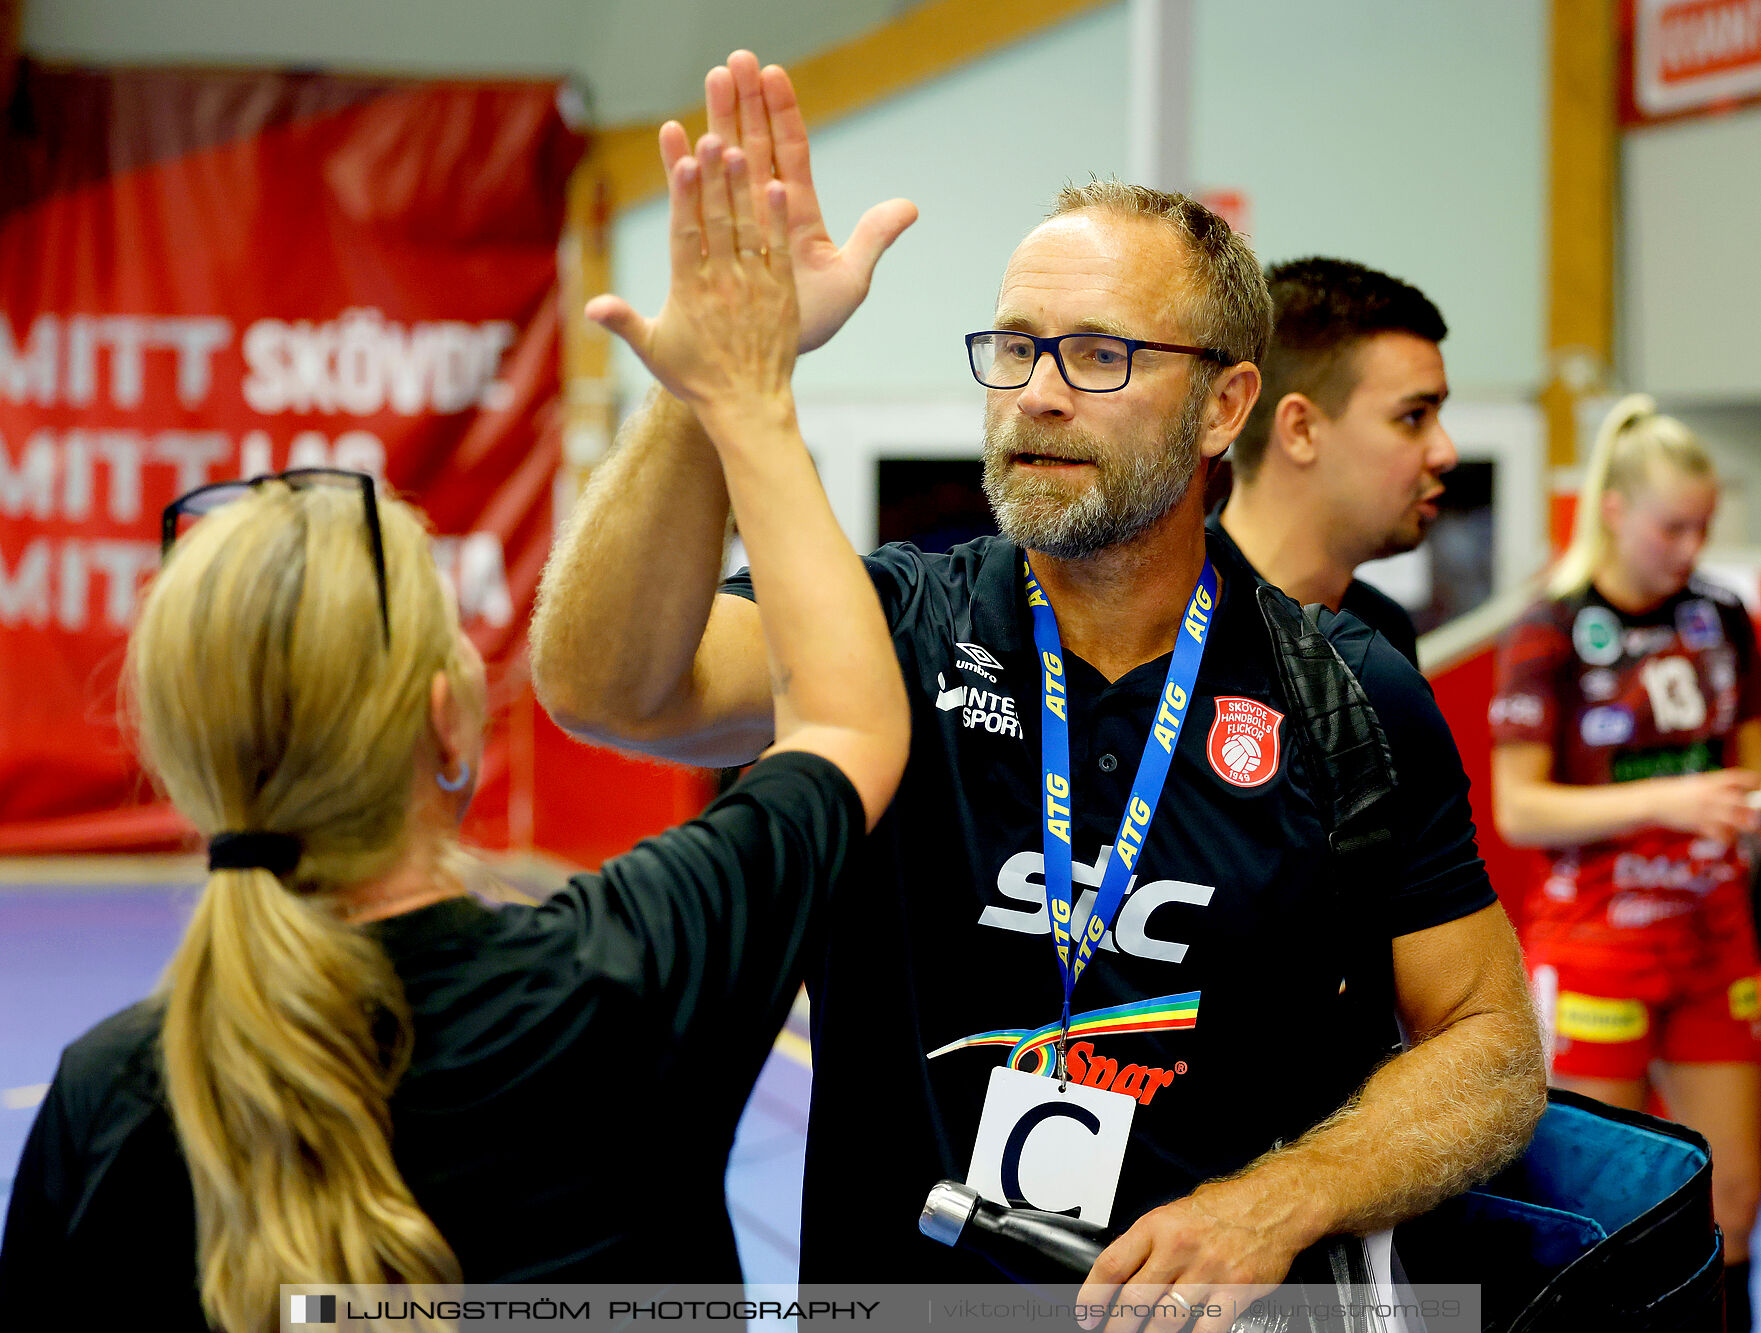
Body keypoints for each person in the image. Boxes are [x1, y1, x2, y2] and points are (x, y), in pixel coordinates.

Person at [532, 50, 1544, 1313]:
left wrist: (1284, 1197)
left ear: (1227, 403)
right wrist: (714, 385)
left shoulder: (1345, 692)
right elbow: (608, 687)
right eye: (1015, 348)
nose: (1040, 395)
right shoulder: (889, 628)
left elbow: (1492, 1048)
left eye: (1101, 354)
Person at [0, 157, 909, 1330]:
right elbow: (844, 717)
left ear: (187, 759)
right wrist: (740, 389)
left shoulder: (108, 1099)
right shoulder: (627, 980)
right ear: (449, 723)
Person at [1490, 394, 1761, 1332]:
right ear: (1612, 508)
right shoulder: (1551, 626)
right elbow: (1519, 809)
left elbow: (1747, 764)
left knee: (1730, 1203)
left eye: (1702, 526)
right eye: (1670, 526)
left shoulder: (1722, 614)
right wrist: (1668, 800)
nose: (1688, 546)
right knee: (1593, 1210)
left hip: (1713, 933)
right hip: (1596, 941)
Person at [1214, 257, 1456, 666]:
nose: (1446, 453)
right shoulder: (1169, 624)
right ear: (1301, 430)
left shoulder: (1382, 633)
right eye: (1413, 416)